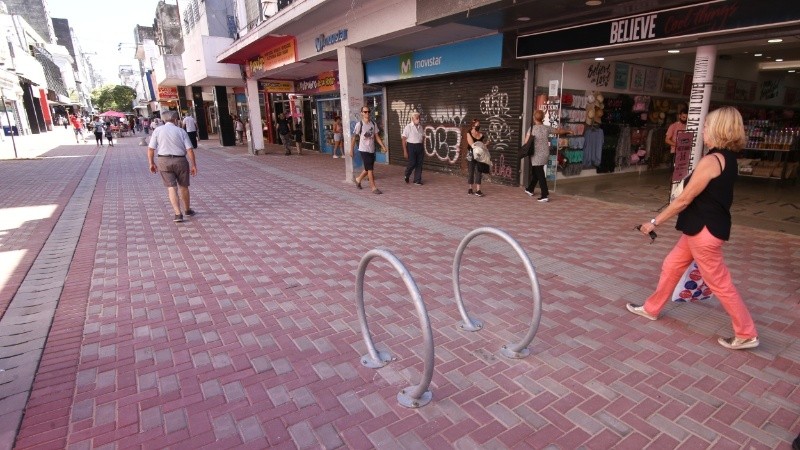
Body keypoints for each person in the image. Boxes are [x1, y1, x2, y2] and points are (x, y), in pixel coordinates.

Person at [627, 106, 758, 350]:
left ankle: (746, 332)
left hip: (704, 232)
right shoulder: (727, 159)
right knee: (672, 265)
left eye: (707, 126)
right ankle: (652, 308)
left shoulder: (711, 161)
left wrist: (653, 223)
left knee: (720, 283)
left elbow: (685, 199)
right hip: (699, 229)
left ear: (719, 130)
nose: (704, 130)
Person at [146, 110, 198, 223]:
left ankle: (178, 214)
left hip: (163, 160)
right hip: (180, 160)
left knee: (171, 187)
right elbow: (189, 149)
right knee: (183, 186)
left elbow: (151, 149)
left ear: (164, 120)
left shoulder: (157, 131)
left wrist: (151, 163)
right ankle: (187, 210)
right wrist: (193, 165)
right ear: (175, 119)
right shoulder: (181, 131)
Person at [523, 110, 570, 203]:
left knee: (539, 173)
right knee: (537, 171)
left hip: (536, 154)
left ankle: (544, 194)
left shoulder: (532, 129)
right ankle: (530, 189)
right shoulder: (546, 128)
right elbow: (558, 131)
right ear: (543, 118)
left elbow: (526, 142)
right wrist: (568, 130)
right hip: (545, 153)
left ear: (534, 118)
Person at [351, 106, 388, 194]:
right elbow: (354, 138)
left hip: (371, 149)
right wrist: (351, 150)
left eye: (368, 111)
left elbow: (377, 136)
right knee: (370, 169)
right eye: (365, 112)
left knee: (367, 169)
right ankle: (373, 187)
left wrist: (383, 146)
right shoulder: (359, 124)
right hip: (363, 149)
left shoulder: (373, 124)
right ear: (362, 113)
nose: (367, 113)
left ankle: (358, 179)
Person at [465, 118, 490, 197]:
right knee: (471, 171)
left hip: (479, 155)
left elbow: (482, 147)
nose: (479, 126)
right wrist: (481, 146)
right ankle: (470, 188)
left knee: (479, 171)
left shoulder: (481, 135)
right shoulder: (468, 133)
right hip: (471, 154)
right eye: (477, 125)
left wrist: (486, 144)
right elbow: (472, 145)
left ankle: (478, 190)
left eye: (479, 125)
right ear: (473, 126)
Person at [402, 111, 425, 185]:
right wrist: (405, 151)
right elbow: (403, 139)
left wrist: (423, 147)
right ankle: (407, 174)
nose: (418, 119)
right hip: (411, 146)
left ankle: (417, 180)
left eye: (419, 118)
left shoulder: (420, 127)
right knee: (412, 163)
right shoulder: (408, 127)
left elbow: (423, 137)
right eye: (417, 118)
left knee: (419, 164)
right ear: (412, 118)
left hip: (419, 146)